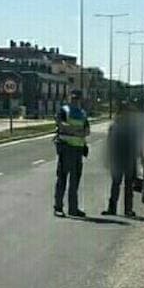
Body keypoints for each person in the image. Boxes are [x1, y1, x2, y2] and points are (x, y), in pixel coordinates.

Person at [54, 88, 91, 218]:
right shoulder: (64, 110)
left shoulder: (82, 113)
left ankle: (73, 208)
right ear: (69, 98)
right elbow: (61, 124)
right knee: (62, 179)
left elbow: (87, 131)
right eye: (73, 98)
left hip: (78, 150)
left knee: (75, 181)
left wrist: (75, 131)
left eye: (77, 98)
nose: (75, 100)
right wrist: (76, 131)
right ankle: (58, 207)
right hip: (66, 148)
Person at [104, 103, 144, 219]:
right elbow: (110, 143)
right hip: (120, 158)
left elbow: (138, 143)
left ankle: (126, 209)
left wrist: (141, 156)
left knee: (126, 185)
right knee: (118, 184)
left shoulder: (129, 127)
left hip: (127, 158)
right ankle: (116, 209)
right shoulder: (117, 126)